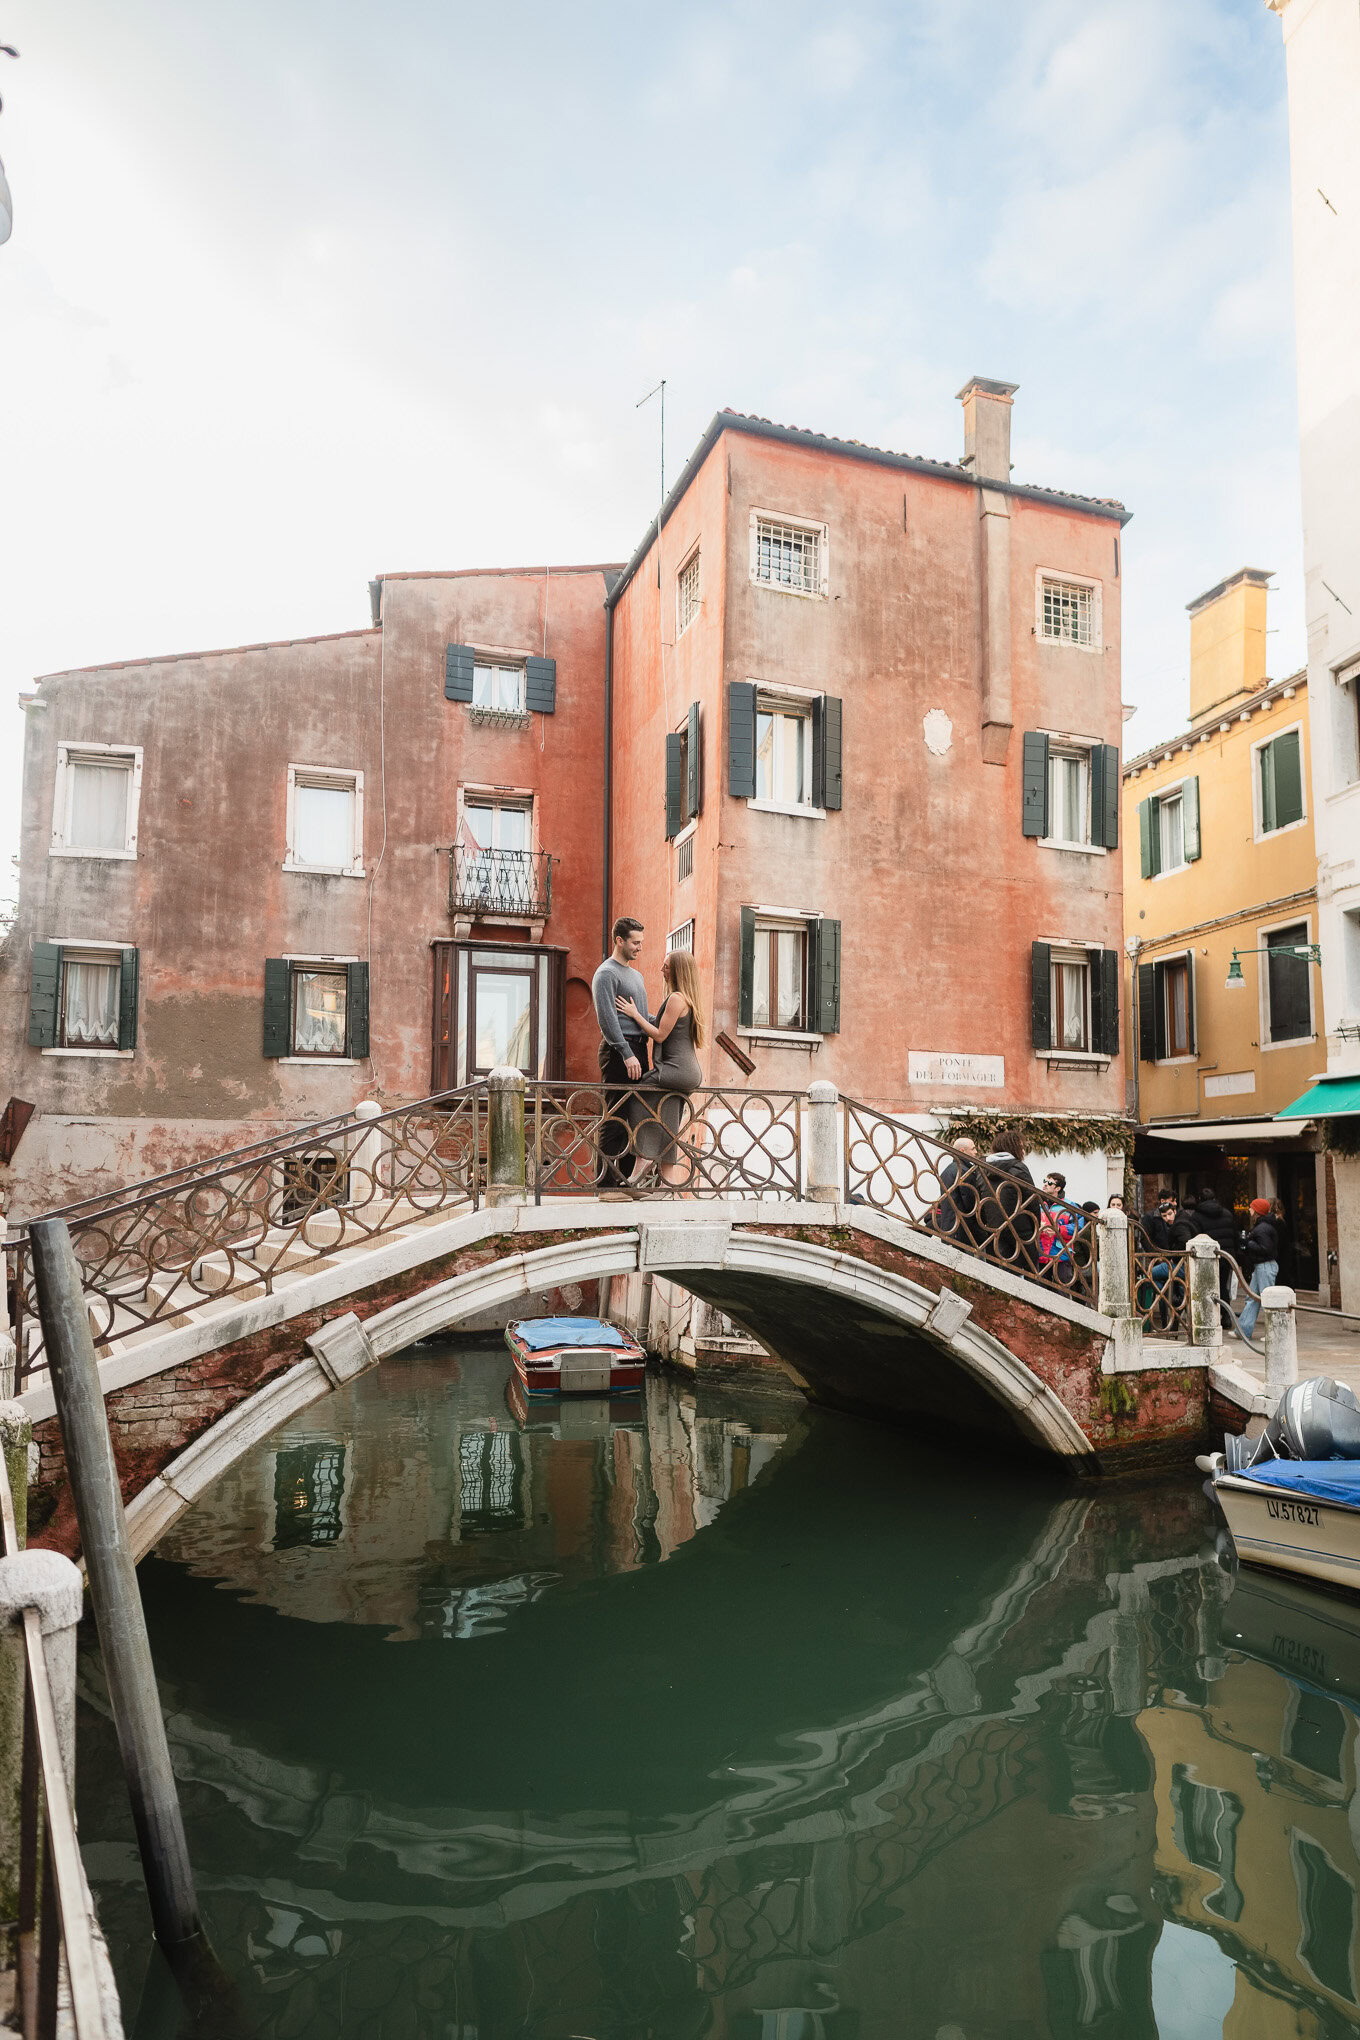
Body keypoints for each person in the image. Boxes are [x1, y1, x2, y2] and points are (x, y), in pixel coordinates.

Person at [615, 949, 706, 1186]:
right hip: (686, 1073)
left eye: (666, 966)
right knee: (667, 1117)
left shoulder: (676, 998)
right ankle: (667, 1180)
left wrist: (635, 1015)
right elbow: (663, 1024)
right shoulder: (686, 998)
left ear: (676, 970)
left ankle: (644, 1160)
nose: (662, 970)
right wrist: (644, 1015)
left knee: (637, 1098)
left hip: (675, 1071)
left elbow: (659, 1034)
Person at [591, 917, 650, 1187]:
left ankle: (626, 1184)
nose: (639, 947)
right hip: (619, 1051)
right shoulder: (606, 974)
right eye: (635, 942)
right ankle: (604, 1186)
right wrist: (626, 1053)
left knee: (635, 1118)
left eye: (640, 942)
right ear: (619, 940)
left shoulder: (636, 976)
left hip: (639, 1048)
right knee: (614, 1117)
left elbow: (640, 1016)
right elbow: (607, 1020)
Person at [977, 1130, 1040, 1270]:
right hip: (1020, 1228)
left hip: (993, 1227)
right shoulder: (1019, 1167)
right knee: (1031, 1271)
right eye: (1021, 1147)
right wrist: (1036, 1225)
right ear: (1014, 1147)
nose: (1023, 1150)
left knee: (998, 1272)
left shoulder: (982, 1167)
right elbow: (1032, 1199)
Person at [1238, 1197, 1281, 1340]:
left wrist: (1248, 1243)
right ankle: (1243, 1330)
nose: (1249, 1210)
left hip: (1265, 1266)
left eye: (1251, 1207)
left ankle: (1273, 1334)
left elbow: (1265, 1249)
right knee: (1252, 1298)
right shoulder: (1264, 1225)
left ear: (1256, 1211)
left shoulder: (1262, 1228)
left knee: (1267, 1302)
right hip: (1262, 1266)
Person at [935, 1136, 982, 1243]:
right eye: (973, 1149)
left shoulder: (949, 1169)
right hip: (962, 1229)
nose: (976, 1152)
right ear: (962, 1151)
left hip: (949, 1226)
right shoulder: (964, 1172)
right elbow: (970, 1204)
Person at [1038, 1170, 1077, 1283]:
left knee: (1061, 1293)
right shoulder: (1037, 1203)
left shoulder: (1069, 1206)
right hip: (1040, 1253)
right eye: (1044, 1181)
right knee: (1040, 1292)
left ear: (1058, 1188)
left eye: (1049, 1183)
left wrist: (1058, 1230)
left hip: (1061, 1256)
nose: (1045, 1184)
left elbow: (1077, 1227)